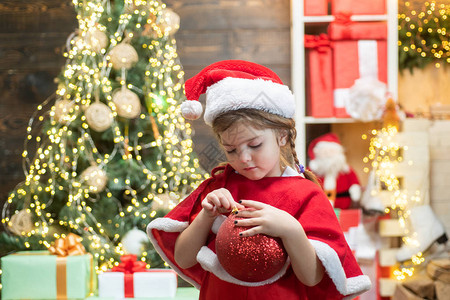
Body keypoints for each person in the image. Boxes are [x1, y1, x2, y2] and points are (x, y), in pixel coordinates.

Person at [147, 60, 371, 299]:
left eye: (255, 145)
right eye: (231, 150)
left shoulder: (307, 194)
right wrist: (207, 216)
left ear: (282, 136)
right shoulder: (219, 187)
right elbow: (183, 258)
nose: (244, 158)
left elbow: (312, 277)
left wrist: (290, 229)